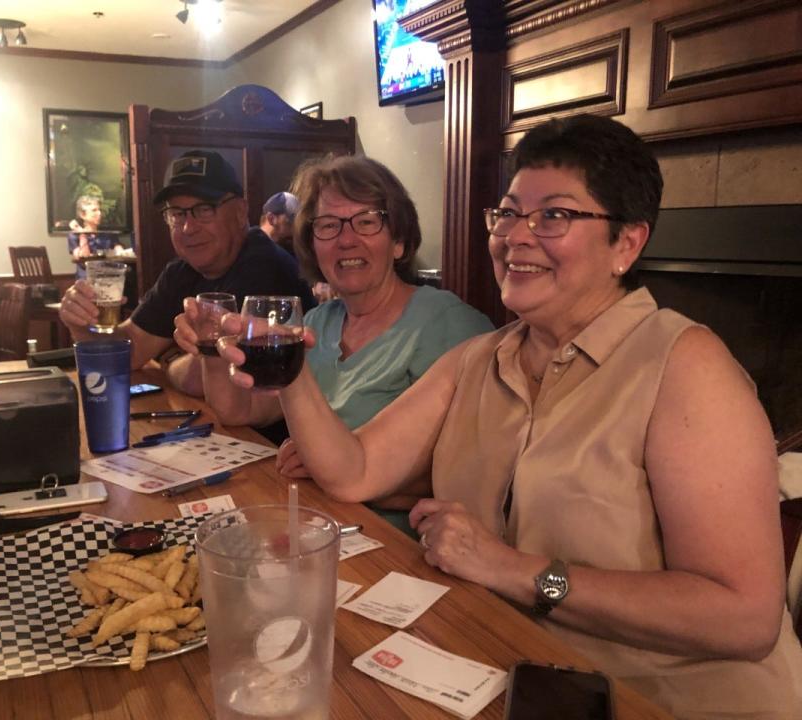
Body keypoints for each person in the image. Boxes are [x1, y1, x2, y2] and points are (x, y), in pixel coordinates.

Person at [211, 116, 802, 717]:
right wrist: (292, 373)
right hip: (504, 668)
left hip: (660, 701)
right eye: (510, 213)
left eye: (555, 216)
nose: (516, 236)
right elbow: (354, 471)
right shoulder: (482, 355)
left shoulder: (685, 365)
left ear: (626, 243)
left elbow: (744, 617)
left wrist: (515, 570)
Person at [174, 155, 493, 528]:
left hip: (401, 547)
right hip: (316, 521)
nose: (346, 240)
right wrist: (211, 345)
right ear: (312, 246)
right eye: (327, 226)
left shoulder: (448, 324)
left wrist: (327, 466)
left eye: (366, 222)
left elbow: (473, 478)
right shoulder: (316, 322)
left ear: (399, 243)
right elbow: (239, 411)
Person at [59, 150, 314, 396]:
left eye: (204, 209)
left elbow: (206, 379)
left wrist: (168, 360)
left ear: (239, 212)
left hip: (271, 437)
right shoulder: (182, 271)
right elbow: (130, 350)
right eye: (176, 214)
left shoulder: (264, 266)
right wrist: (81, 326)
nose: (188, 227)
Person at [66, 195, 123, 279]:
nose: (99, 213)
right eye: (94, 210)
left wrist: (120, 250)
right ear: (82, 215)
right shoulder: (74, 235)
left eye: (99, 210)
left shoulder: (108, 233)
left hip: (108, 277)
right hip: (86, 279)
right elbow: (83, 259)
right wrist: (82, 234)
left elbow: (119, 250)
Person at [259, 191, 298, 255]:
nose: (293, 230)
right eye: (289, 224)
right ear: (271, 219)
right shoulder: (249, 249)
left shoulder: (291, 253)